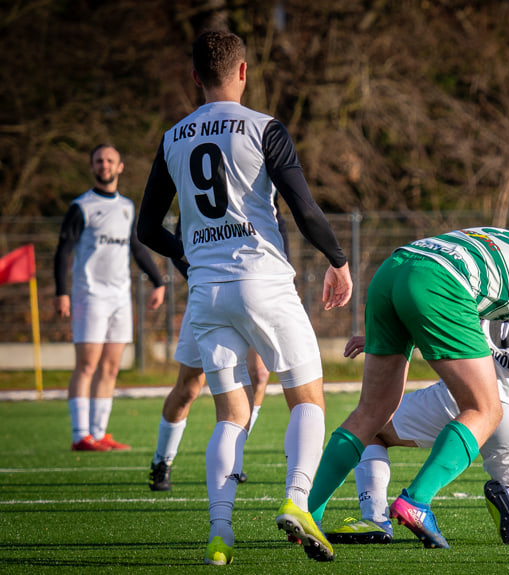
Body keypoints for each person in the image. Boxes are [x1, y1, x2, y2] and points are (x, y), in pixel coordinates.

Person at [136, 30, 352, 566]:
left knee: (230, 415)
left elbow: (146, 227)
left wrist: (187, 257)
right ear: (244, 71)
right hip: (263, 281)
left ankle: (220, 533)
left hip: (207, 293)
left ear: (194, 77)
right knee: (307, 398)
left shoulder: (173, 136)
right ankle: (297, 502)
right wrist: (338, 261)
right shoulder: (263, 128)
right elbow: (303, 209)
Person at [305, 227, 509, 560]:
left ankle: (332, 515)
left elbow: (443, 311)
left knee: (371, 420)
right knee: (492, 424)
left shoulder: (500, 252)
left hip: (402, 274)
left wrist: (399, 335)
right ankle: (429, 500)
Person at [326, 318, 509, 546]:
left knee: (371, 428)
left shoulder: (487, 285)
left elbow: (439, 320)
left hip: (455, 397)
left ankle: (375, 518)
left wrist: (383, 340)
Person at [149, 213, 292, 491]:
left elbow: (279, 237)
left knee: (260, 374)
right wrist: (201, 275)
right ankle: (161, 461)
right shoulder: (198, 183)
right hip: (208, 295)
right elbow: (177, 244)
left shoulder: (260, 188)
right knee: (189, 387)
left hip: (253, 296)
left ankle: (232, 458)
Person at [54, 143, 166, 452]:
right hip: (90, 296)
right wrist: (61, 291)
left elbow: (137, 247)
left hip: (120, 297)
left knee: (111, 367)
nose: (104, 165)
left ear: (120, 167)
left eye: (110, 160)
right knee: (87, 365)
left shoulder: (127, 206)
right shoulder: (82, 206)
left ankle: (99, 433)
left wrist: (158, 281)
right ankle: (80, 436)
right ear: (92, 167)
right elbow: (63, 250)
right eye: (99, 160)